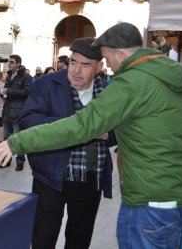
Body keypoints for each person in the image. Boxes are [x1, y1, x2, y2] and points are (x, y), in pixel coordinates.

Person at [0, 22, 182, 249]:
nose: (111, 66)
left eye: (104, 60)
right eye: (73, 62)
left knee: (80, 237)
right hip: (179, 194)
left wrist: (17, 143)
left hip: (143, 196)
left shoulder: (127, 84)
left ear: (112, 58)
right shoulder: (179, 79)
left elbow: (82, 127)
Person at [19, 37, 115, 249]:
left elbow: (120, 130)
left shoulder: (110, 92)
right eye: (73, 62)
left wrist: (108, 134)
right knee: (43, 238)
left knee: (80, 239)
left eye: (85, 64)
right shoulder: (46, 85)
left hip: (91, 178)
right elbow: (28, 121)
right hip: (51, 175)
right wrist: (76, 127)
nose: (76, 70)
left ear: (99, 66)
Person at [0, 54, 32, 171]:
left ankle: (20, 162)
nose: (9, 64)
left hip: (18, 113)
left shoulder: (26, 77)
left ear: (18, 64)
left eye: (12, 62)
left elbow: (27, 92)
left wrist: (9, 91)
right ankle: (6, 160)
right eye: (8, 62)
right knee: (6, 139)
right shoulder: (8, 76)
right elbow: (7, 91)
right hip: (7, 111)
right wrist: (3, 92)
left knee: (18, 139)